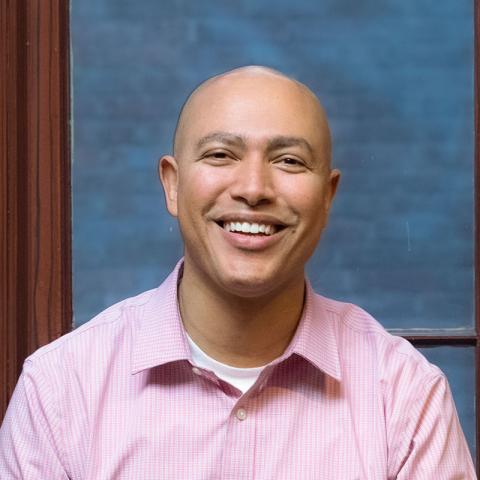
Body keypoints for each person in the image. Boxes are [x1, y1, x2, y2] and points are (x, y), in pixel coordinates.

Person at [0, 66, 475, 479]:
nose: (253, 189)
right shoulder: (62, 390)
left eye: (289, 161)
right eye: (220, 155)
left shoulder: (403, 396)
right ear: (172, 184)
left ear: (328, 196)